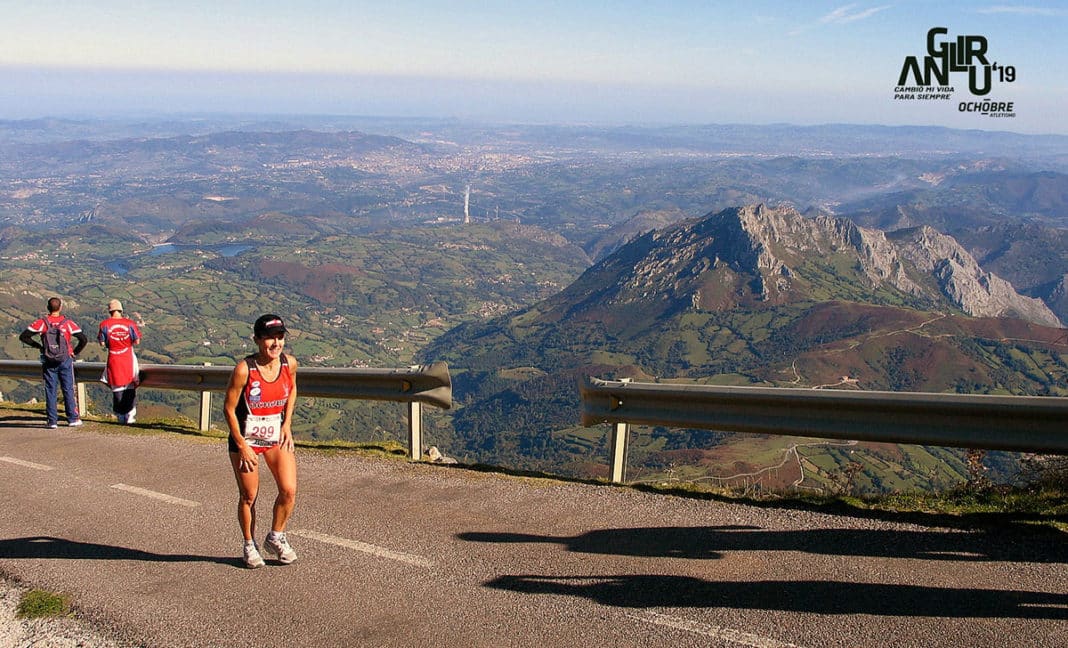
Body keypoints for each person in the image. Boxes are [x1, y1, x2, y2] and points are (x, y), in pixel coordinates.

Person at [223, 314, 299, 569]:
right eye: (269, 338)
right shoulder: (245, 370)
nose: (276, 343)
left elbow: (292, 390)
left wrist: (286, 424)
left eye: (279, 337)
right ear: (257, 340)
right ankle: (248, 544)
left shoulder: (289, 364)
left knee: (288, 490)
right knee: (249, 496)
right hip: (246, 440)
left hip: (274, 435)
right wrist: (242, 445)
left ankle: (276, 536)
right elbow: (229, 409)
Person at [19, 296, 89, 428]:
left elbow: (24, 336)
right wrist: (74, 351)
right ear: (60, 307)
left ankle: (52, 421)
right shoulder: (67, 323)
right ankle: (72, 419)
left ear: (48, 308)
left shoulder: (42, 323)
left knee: (50, 389)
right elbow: (83, 339)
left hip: (49, 360)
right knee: (68, 388)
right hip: (65, 359)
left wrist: (39, 347)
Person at [97, 299, 142, 424]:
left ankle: (120, 414)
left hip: (114, 356)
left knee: (116, 384)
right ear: (121, 310)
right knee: (130, 384)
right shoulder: (130, 324)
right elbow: (137, 341)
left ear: (110, 310)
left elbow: (101, 343)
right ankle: (130, 414)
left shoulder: (104, 324)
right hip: (128, 356)